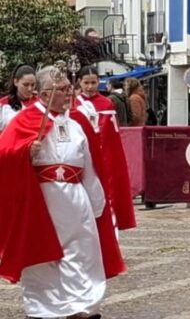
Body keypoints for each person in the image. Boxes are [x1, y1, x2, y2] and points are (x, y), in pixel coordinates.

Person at [0, 65, 125, 318]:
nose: (70, 94)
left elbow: (90, 162)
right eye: (63, 90)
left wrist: (97, 202)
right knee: (43, 257)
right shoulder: (23, 121)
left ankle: (83, 306)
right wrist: (25, 153)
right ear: (45, 94)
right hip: (42, 201)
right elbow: (4, 154)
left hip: (76, 199)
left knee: (82, 253)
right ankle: (45, 308)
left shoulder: (78, 121)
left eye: (70, 88)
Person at [74, 66, 136, 231]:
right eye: (86, 83)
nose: (89, 87)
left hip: (104, 153)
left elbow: (110, 134)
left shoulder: (106, 102)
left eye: (93, 82)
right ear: (79, 82)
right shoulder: (73, 104)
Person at [0, 64, 37, 133]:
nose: (30, 89)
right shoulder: (3, 105)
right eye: (25, 85)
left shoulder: (40, 104)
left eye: (33, 85)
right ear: (16, 82)